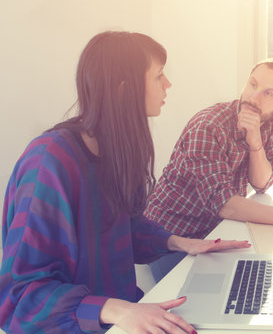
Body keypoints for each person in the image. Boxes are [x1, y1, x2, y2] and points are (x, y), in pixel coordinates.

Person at [0, 31, 250, 333]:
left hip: (123, 316)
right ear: (123, 89)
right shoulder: (49, 162)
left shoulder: (114, 151)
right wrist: (115, 309)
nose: (168, 84)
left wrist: (178, 242)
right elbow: (21, 295)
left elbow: (124, 228)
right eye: (159, 76)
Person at [144, 59, 273, 282]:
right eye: (252, 84)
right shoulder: (208, 126)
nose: (253, 97)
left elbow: (262, 183)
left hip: (219, 232)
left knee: (272, 277)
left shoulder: (269, 118)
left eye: (268, 93)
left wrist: (255, 142)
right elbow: (225, 206)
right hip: (172, 241)